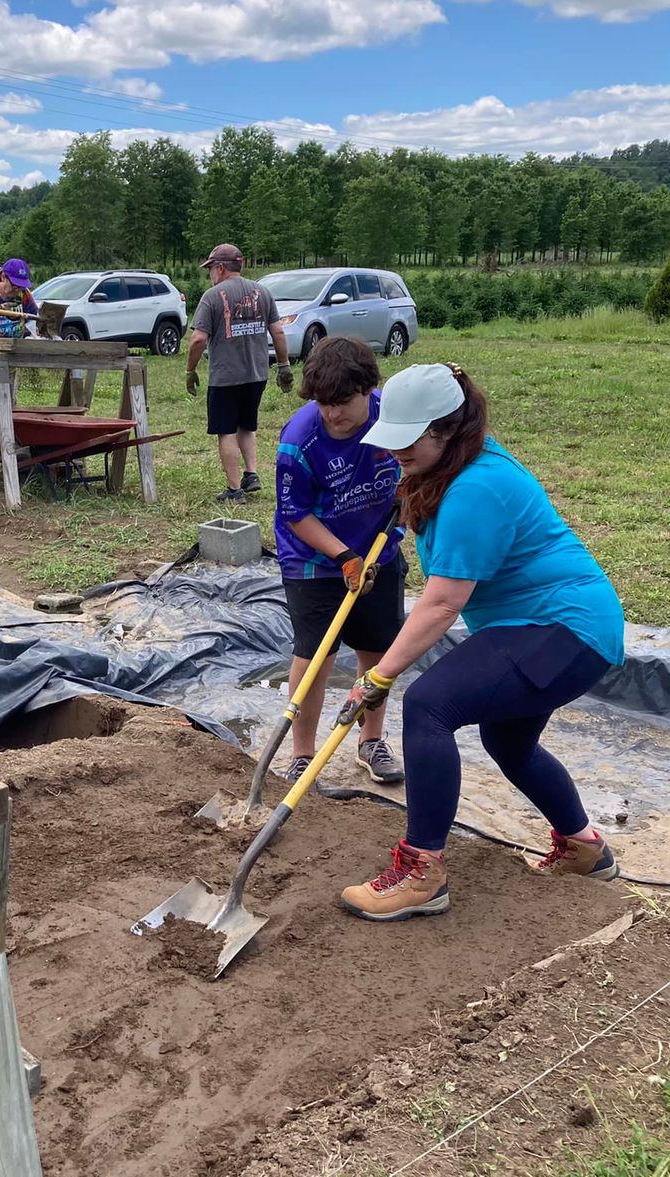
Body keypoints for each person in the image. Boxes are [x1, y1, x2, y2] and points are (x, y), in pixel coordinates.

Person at [337, 363, 625, 922]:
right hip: (552, 627)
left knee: (428, 705)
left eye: (409, 441)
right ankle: (585, 849)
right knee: (508, 742)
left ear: (446, 429)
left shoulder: (477, 487)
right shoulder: (453, 464)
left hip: (563, 628)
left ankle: (422, 872)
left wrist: (378, 676)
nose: (397, 452)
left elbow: (444, 603)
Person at [275, 337, 405, 786]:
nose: (333, 414)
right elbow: (295, 512)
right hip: (313, 560)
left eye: (343, 403)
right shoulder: (299, 440)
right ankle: (302, 753)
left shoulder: (394, 418)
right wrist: (344, 555)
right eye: (323, 404)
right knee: (315, 655)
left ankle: (370, 741)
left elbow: (417, 469)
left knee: (377, 650)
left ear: (369, 388)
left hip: (378, 550)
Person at [186, 243, 293, 505]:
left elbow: (198, 339)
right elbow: (277, 331)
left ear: (220, 267)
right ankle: (251, 474)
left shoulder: (212, 296)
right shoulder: (263, 292)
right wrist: (284, 365)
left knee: (226, 431)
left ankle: (234, 490)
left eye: (211, 268)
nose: (210, 273)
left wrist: (190, 370)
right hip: (257, 374)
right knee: (246, 424)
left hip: (225, 376)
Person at [0, 258, 39, 339]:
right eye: (14, 285)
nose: (17, 290)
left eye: (21, 287)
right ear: (3, 277)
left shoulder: (24, 293)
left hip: (17, 343)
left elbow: (33, 317)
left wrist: (33, 334)